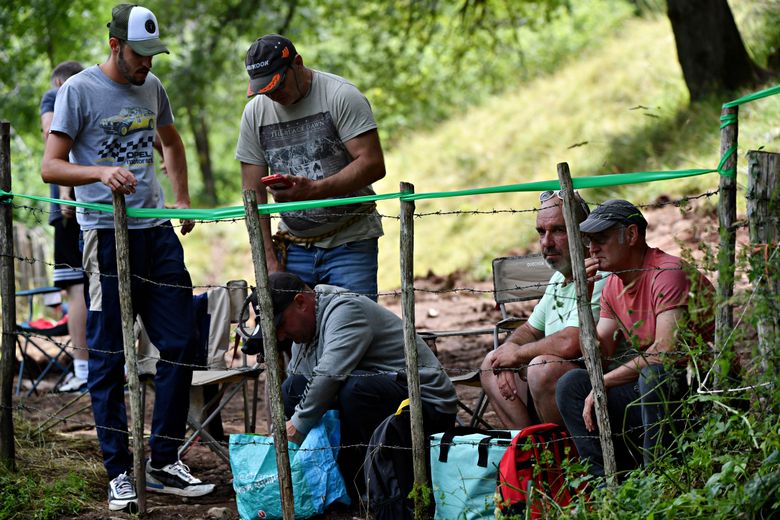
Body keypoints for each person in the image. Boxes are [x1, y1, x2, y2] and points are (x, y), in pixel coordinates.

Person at [41, 4, 213, 512]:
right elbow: (51, 166)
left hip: (157, 234)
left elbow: (171, 142)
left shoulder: (152, 87)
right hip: (105, 236)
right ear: (115, 45)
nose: (148, 64)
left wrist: (180, 199)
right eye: (140, 54)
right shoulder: (78, 91)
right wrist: (98, 173)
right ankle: (119, 471)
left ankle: (163, 461)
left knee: (182, 342)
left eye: (153, 55)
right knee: (110, 356)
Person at [556, 199, 715, 477]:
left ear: (631, 235)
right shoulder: (611, 286)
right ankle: (606, 482)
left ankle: (659, 478)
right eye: (589, 241)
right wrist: (584, 295)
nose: (592, 249)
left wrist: (604, 383)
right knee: (571, 384)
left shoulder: (666, 273)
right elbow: (599, 353)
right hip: (656, 393)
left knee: (654, 375)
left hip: (701, 390)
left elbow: (666, 351)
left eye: (600, 239)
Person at [270, 272, 457, 499]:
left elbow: (329, 376)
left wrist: (297, 425)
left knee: (355, 389)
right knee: (292, 388)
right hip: (383, 395)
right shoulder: (306, 330)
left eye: (280, 324)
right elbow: (303, 383)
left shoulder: (345, 311)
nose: (280, 336)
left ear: (301, 302)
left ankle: (382, 485)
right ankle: (330, 483)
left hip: (427, 406)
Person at [236, 34, 386, 300]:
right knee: (290, 326)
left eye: (277, 85)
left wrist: (315, 190)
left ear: (298, 63)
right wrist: (268, 260)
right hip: (293, 247)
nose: (273, 95)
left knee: (351, 322)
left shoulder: (340, 95)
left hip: (350, 242)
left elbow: (373, 163)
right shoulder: (254, 113)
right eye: (265, 90)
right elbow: (253, 194)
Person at [480, 191, 608, 428]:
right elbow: (530, 329)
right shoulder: (558, 278)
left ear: (583, 234)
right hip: (552, 384)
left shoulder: (599, 275)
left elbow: (571, 342)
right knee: (492, 363)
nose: (546, 242)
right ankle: (533, 446)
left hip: (593, 387)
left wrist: (517, 355)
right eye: (541, 232)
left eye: (558, 230)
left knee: (542, 367)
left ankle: (569, 447)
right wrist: (508, 352)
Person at [40, 60, 90, 393]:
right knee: (98, 284)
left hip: (71, 205)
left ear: (60, 82)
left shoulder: (55, 95)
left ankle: (83, 368)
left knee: (75, 287)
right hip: (97, 202)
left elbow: (52, 133)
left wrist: (64, 192)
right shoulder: (94, 96)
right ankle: (117, 363)